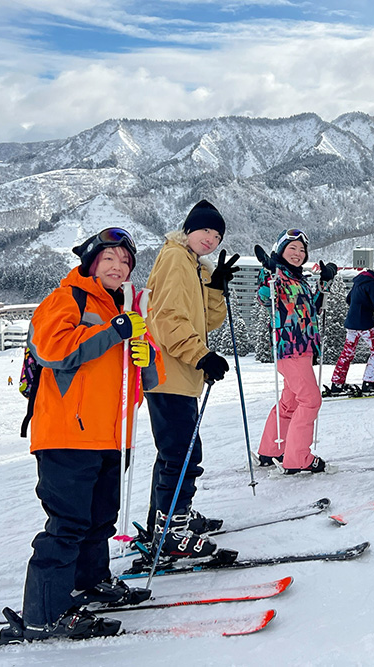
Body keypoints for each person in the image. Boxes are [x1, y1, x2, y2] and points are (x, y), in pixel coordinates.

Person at [0, 227, 162, 643]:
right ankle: (44, 614)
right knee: (68, 524)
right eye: (109, 258)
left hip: (111, 435)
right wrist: (116, 332)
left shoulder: (124, 311)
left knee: (99, 520)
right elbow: (53, 350)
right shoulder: (66, 299)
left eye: (125, 262)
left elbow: (146, 379)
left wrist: (146, 359)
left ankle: (90, 582)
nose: (118, 266)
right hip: (67, 434)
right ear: (91, 262)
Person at [143, 200, 239, 560]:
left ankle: (165, 520)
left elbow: (204, 322)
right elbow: (167, 319)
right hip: (170, 372)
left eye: (217, 236)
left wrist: (214, 286)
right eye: (206, 231)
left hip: (177, 374)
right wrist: (200, 355)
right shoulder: (174, 259)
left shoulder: (193, 266)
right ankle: (171, 530)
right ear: (188, 230)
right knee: (183, 454)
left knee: (174, 452)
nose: (211, 239)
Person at [255, 229, 337, 474]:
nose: (298, 254)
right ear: (280, 250)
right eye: (292, 248)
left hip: (304, 348)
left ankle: (271, 449)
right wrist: (268, 277)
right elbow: (263, 296)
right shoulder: (276, 274)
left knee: (290, 402)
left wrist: (324, 281)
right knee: (311, 400)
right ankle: (298, 457)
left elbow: (313, 308)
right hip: (290, 348)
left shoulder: (298, 278)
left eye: (302, 250)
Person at [327, 261, 374, 396]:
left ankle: (337, 384)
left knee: (347, 353)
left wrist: (366, 310)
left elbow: (349, 300)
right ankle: (369, 383)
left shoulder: (360, 280)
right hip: (365, 325)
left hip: (351, 323)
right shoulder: (372, 284)